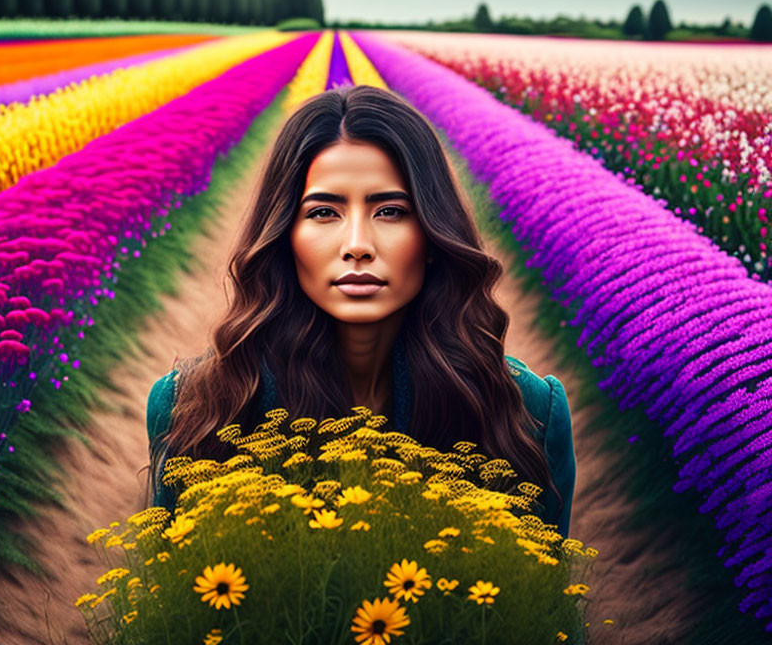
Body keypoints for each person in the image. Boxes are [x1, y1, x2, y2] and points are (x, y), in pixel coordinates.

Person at [146, 85, 576, 538]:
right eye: (324, 212)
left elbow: (545, 601)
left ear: (433, 235)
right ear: (284, 235)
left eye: (390, 211)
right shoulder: (198, 410)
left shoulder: (527, 414)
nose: (357, 246)